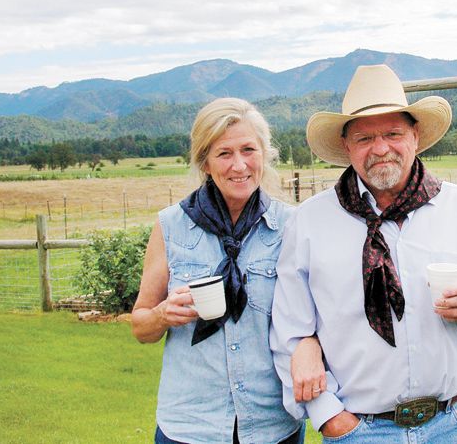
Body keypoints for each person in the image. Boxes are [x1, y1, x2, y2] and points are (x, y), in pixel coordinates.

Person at [270, 65, 457, 443]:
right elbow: (290, 333)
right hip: (358, 431)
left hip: (449, 425)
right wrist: (330, 418)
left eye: (393, 134)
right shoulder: (309, 222)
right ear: (346, 146)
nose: (381, 148)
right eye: (365, 138)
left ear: (416, 136)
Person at [132, 98, 319, 444]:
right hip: (190, 425)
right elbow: (141, 326)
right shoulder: (170, 225)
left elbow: (316, 315)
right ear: (204, 161)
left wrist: (310, 343)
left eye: (249, 150)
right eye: (224, 154)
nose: (239, 166)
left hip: (272, 424)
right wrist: (162, 315)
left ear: (264, 154)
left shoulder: (290, 226)